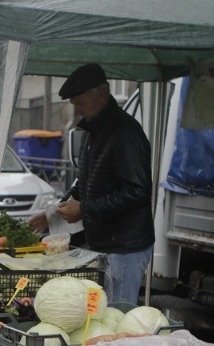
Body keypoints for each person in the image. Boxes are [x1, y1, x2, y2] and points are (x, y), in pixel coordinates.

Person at [53, 62, 154, 306]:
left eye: (80, 103)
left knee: (118, 321)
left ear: (101, 93)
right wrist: (56, 210)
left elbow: (138, 191)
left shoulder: (125, 132)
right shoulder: (93, 130)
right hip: (105, 245)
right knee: (103, 317)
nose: (77, 111)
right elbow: (85, 180)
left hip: (125, 249)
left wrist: (84, 209)